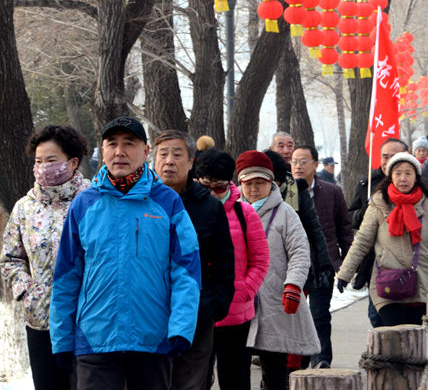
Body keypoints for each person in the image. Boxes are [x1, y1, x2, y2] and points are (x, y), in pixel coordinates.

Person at [50, 116, 201, 390]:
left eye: (129, 144)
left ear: (145, 152)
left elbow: (186, 270)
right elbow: (66, 276)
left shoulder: (167, 202)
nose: (120, 151)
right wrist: (61, 337)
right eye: (112, 144)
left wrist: (181, 327)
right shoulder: (84, 204)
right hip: (95, 339)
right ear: (102, 150)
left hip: (152, 338)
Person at [1, 125, 90, 389]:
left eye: (51, 160)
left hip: (85, 321)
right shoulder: (24, 207)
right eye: (38, 161)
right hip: (40, 322)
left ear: (72, 163)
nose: (43, 167)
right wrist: (29, 292)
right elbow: (9, 258)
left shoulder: (92, 202)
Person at [152, 132, 236, 390]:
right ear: (152, 161)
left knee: (190, 383)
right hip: (148, 314)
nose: (169, 161)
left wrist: (215, 305)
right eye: (163, 154)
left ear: (190, 162)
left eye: (177, 155)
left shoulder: (209, 207)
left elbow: (224, 263)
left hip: (196, 316)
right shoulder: (139, 202)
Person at [337, 153, 428, 326]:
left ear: (416, 177)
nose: (403, 178)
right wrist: (344, 274)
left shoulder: (427, 204)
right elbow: (362, 241)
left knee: (416, 342)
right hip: (388, 284)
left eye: (408, 173)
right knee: (394, 339)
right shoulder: (379, 203)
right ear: (390, 176)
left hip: (423, 283)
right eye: (398, 173)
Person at [237, 151, 319, 390]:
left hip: (275, 301)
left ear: (271, 183)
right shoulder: (233, 213)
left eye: (259, 183)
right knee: (237, 371)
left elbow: (300, 252)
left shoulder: (286, 214)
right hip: (239, 303)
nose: (254, 189)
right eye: (248, 183)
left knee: (275, 371)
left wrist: (293, 284)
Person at [193, 148, 269, 390]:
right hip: (197, 313)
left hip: (236, 313)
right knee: (195, 380)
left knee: (235, 379)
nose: (214, 195)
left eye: (220, 188)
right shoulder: (187, 211)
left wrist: (245, 289)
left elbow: (260, 259)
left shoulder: (244, 212)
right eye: (207, 188)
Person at [291, 145, 353, 368]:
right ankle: (299, 360)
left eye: (303, 161)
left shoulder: (331, 191)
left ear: (315, 165)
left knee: (319, 314)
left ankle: (322, 358)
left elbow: (344, 228)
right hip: (293, 264)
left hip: (324, 263)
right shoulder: (286, 192)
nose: (298, 166)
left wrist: (347, 262)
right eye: (294, 161)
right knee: (295, 315)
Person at [348, 138, 409, 327]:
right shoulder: (367, 184)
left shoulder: (417, 186)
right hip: (376, 264)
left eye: (394, 156)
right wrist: (365, 211)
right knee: (377, 318)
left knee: (405, 322)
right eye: (385, 156)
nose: (388, 160)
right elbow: (351, 217)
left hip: (409, 265)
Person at [263, 149, 333, 294]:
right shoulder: (247, 196)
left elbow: (314, 229)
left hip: (296, 265)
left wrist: (324, 265)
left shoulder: (297, 191)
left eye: (271, 182)